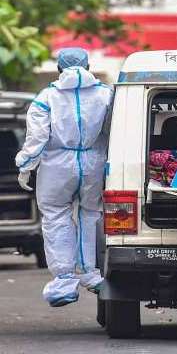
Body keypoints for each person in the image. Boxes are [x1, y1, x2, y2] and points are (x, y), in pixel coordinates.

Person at [15, 47, 113, 307]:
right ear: (89, 66)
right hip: (93, 161)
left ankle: (64, 281)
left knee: (56, 215)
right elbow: (112, 131)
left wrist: (26, 165)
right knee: (91, 213)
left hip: (56, 164)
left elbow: (36, 138)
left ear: (59, 68)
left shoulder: (46, 97)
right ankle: (91, 274)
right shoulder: (106, 95)